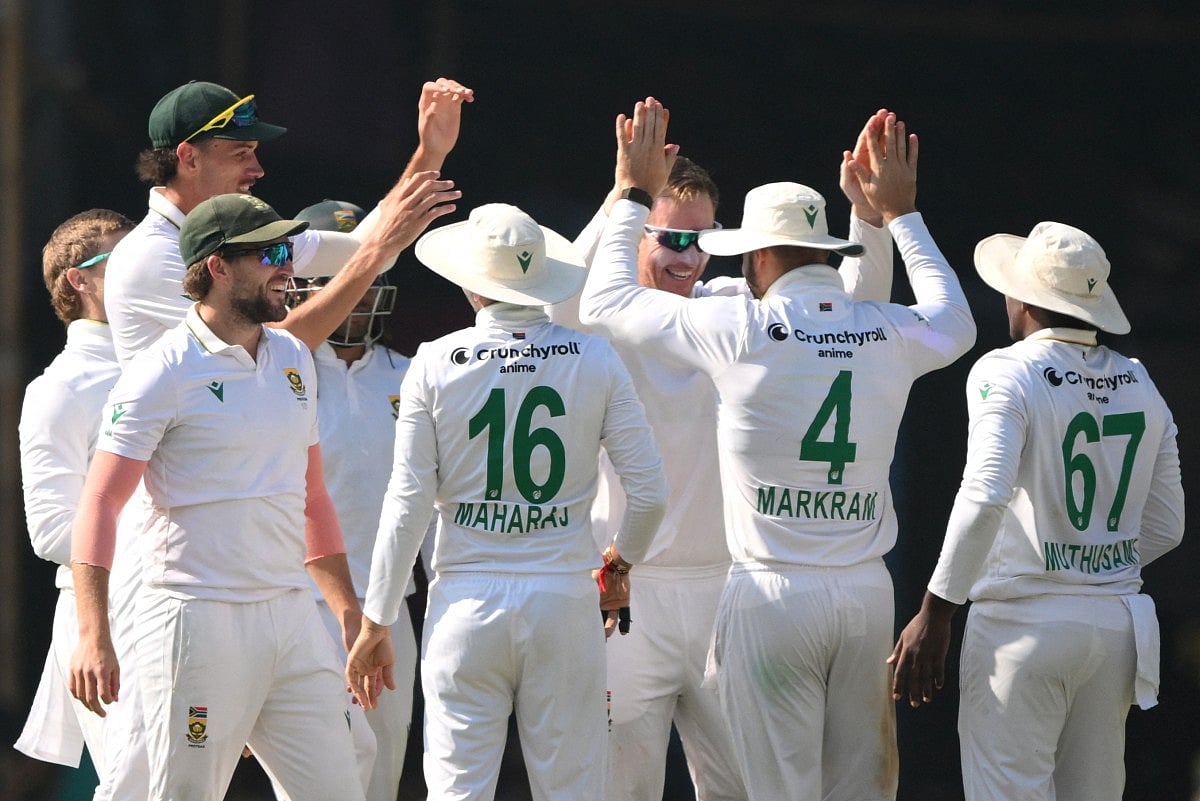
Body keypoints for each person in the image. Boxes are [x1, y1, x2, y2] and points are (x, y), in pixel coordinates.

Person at [578, 99, 976, 801]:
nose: (691, 257)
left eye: (704, 242)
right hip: (665, 587)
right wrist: (887, 218)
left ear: (751, 254)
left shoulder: (732, 314)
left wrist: (631, 191)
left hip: (751, 586)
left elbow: (603, 299)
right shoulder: (788, 319)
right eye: (671, 239)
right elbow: (879, 319)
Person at [93, 76, 468, 801]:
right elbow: (268, 344)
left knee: (348, 761)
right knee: (154, 780)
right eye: (241, 151)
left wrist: (428, 153)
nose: (258, 166)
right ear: (188, 157)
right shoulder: (149, 259)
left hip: (269, 572)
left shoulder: (245, 233)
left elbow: (362, 248)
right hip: (181, 573)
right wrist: (370, 254)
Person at [345, 202, 670, 801]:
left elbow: (408, 501)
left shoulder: (435, 362)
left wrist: (377, 618)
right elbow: (650, 493)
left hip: (465, 603)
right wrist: (619, 567)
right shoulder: (596, 357)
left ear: (472, 282)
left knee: (458, 793)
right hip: (565, 601)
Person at [68, 194, 372, 801]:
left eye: (288, 251)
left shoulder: (292, 357)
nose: (288, 268)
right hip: (195, 620)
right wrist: (92, 632)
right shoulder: (161, 371)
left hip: (289, 615)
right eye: (272, 254)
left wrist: (348, 613)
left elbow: (310, 498)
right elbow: (100, 502)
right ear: (218, 267)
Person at [889, 222, 1185, 801]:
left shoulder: (1007, 368)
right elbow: (1167, 526)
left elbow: (985, 492)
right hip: (1116, 625)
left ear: (1023, 300)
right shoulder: (1140, 381)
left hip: (1023, 625)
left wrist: (936, 612)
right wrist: (1088, 564)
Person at [285, 198, 419, 801]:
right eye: (339, 281)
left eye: (366, 279)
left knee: (382, 778)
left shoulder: (413, 375)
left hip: (391, 610)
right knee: (319, 783)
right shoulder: (276, 368)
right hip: (303, 610)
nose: (357, 295)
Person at [14, 210, 134, 782]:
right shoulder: (59, 388)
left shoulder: (175, 361)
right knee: (140, 785)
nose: (141, 274)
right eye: (121, 262)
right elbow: (52, 531)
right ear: (78, 281)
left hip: (193, 601)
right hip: (107, 616)